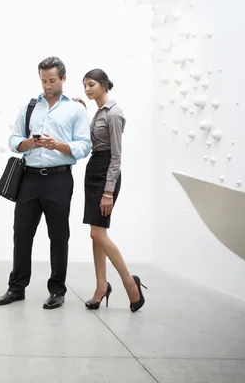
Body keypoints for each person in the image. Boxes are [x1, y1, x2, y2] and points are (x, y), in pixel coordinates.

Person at [0, 56, 92, 310]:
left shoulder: (76, 110)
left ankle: (57, 290)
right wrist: (29, 143)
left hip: (59, 178)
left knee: (58, 236)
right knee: (22, 234)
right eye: (43, 81)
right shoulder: (29, 107)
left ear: (63, 78)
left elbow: (85, 145)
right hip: (29, 178)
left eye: (52, 80)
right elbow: (14, 139)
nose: (47, 86)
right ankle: (16, 288)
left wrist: (57, 145)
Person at [80, 68, 146, 312]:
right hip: (93, 171)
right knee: (96, 233)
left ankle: (130, 284)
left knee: (99, 235)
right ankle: (101, 286)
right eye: (85, 85)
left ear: (104, 85)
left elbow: (117, 157)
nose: (87, 89)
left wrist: (108, 192)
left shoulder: (114, 114)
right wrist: (84, 111)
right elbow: (91, 143)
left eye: (92, 84)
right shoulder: (98, 113)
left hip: (107, 174)